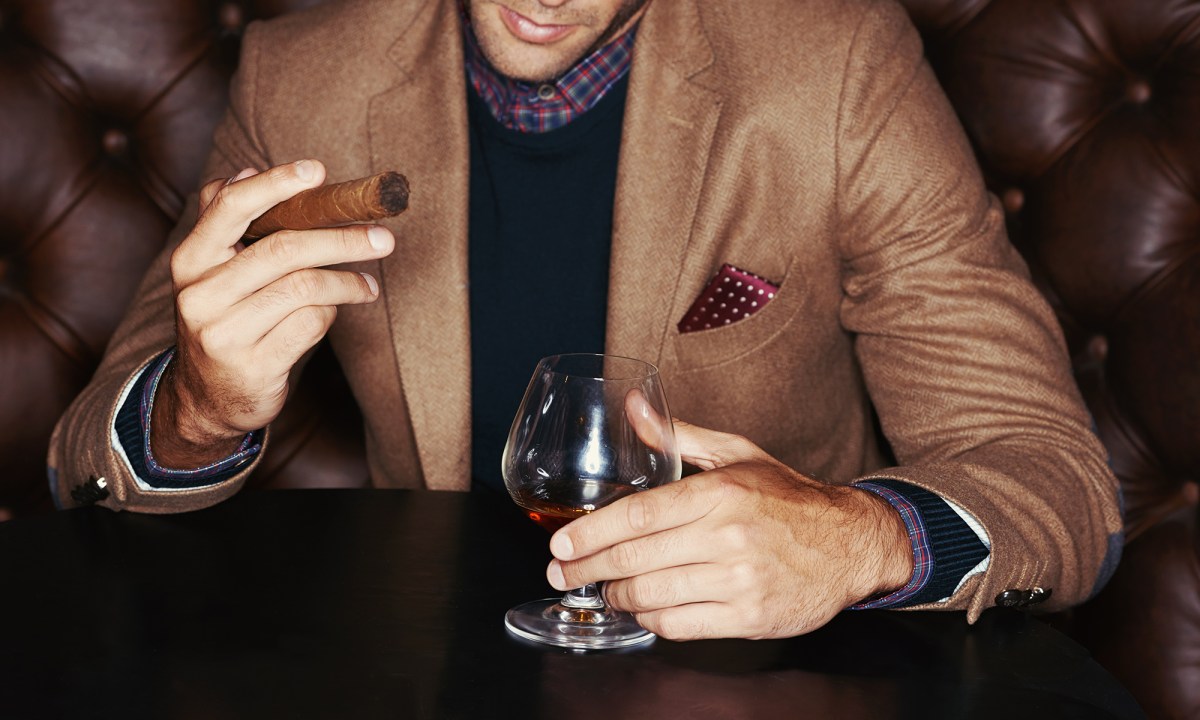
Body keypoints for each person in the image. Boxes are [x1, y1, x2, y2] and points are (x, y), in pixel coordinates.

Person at [48, 0, 1123, 641]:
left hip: (768, 679)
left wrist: (861, 539)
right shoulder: (303, 76)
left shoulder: (839, 65)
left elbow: (1055, 479)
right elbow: (83, 463)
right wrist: (195, 406)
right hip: (439, 668)